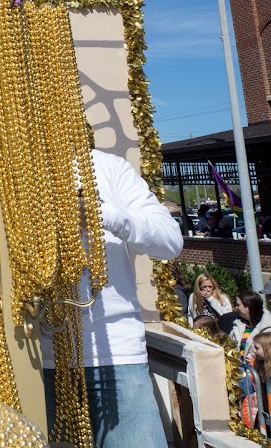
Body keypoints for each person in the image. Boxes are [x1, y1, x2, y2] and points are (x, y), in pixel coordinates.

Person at [40, 149, 183, 448]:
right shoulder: (14, 167)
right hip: (42, 358)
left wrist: (107, 215)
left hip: (117, 354)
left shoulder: (108, 167)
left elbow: (170, 241)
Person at [231, 291, 271, 356]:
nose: (236, 308)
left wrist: (261, 358)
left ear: (248, 306)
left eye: (238, 305)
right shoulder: (238, 324)